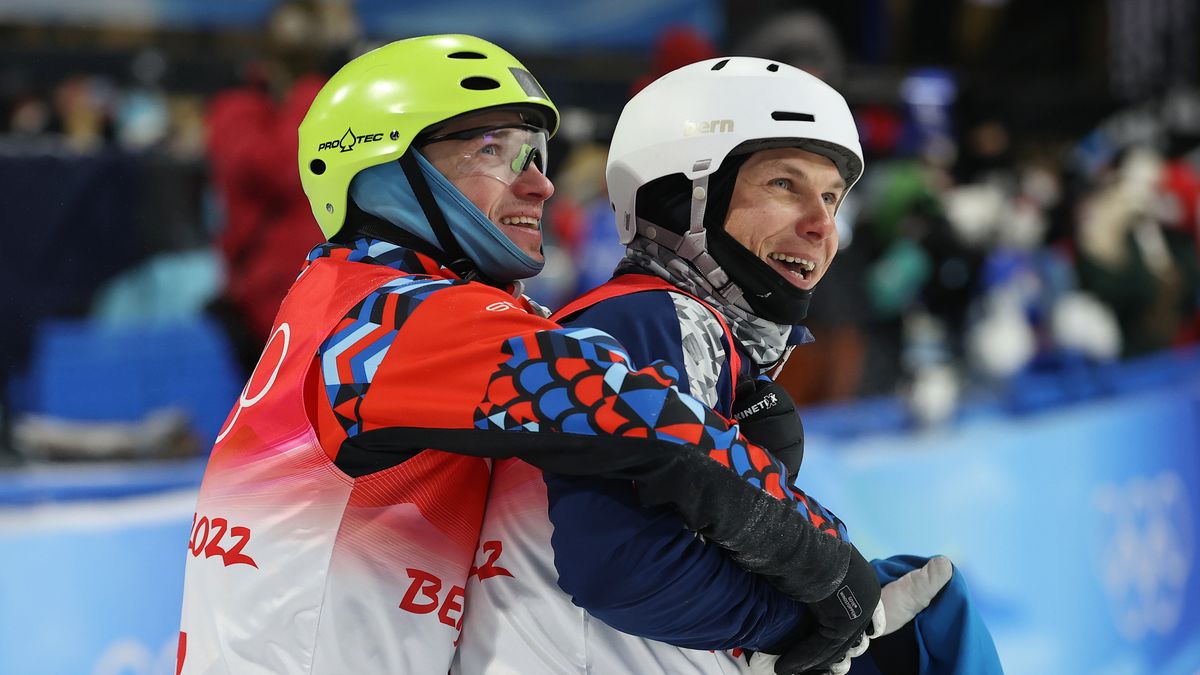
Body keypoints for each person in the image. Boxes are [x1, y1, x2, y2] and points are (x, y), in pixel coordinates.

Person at [177, 35, 884, 675]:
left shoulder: (350, 299)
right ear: (381, 170)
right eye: (492, 150)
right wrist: (823, 559)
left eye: (537, 156)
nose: (540, 183)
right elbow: (631, 415)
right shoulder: (391, 315)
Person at [539, 57, 998, 674]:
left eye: (832, 197)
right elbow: (624, 569)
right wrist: (805, 624)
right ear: (682, 198)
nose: (822, 225)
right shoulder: (654, 318)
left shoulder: (705, 333)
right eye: (785, 185)